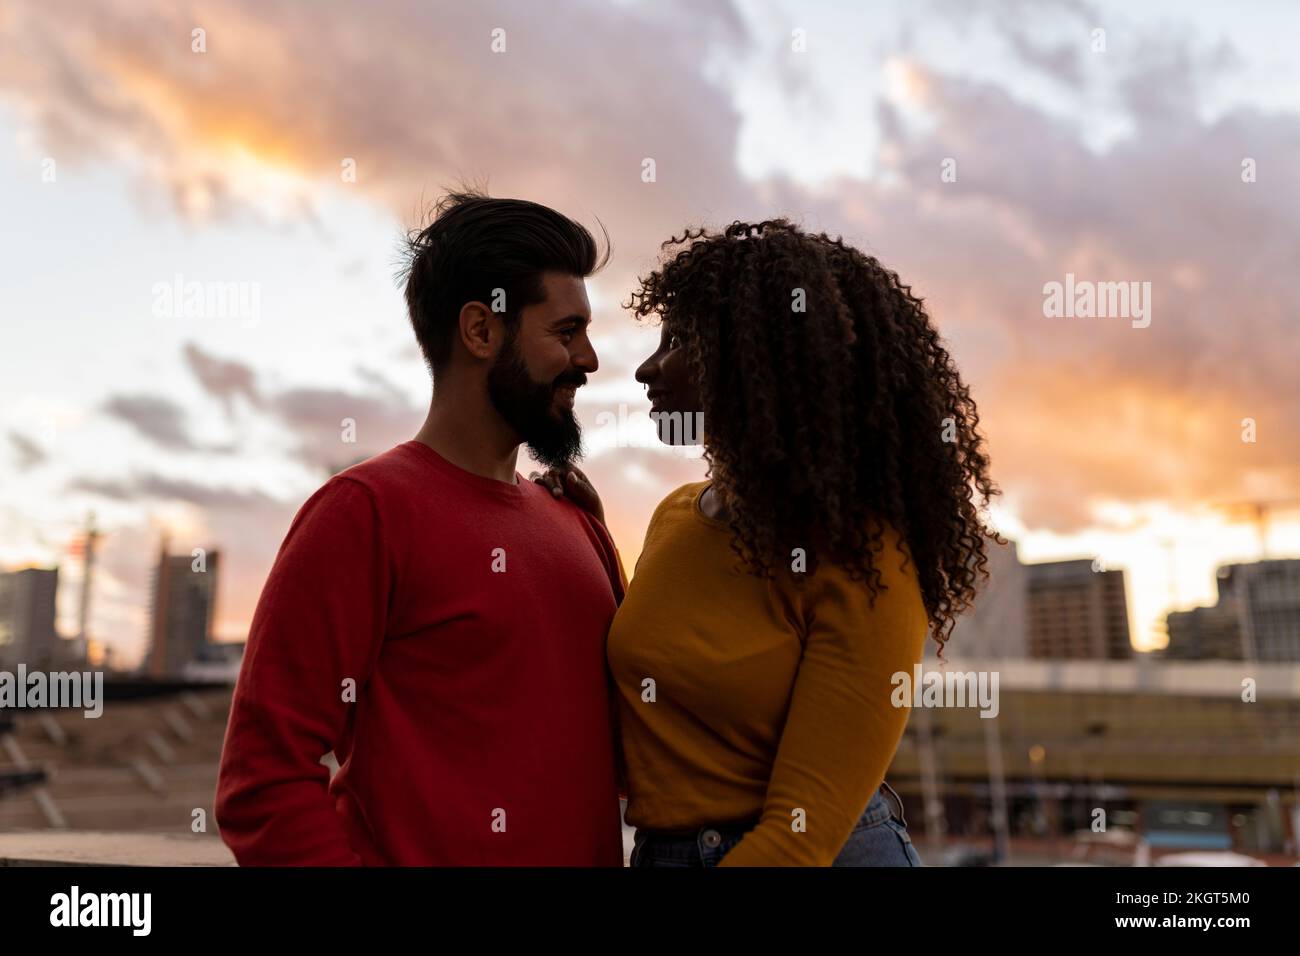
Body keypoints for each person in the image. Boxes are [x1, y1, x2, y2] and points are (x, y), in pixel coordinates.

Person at [541, 219, 999, 866]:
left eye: (680, 342)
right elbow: (660, 687)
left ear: (764, 363)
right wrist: (585, 535)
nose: (646, 369)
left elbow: (798, 836)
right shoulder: (676, 516)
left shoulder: (866, 560)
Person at [215, 191, 628, 865]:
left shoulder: (581, 525)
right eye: (565, 331)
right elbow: (263, 782)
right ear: (480, 331)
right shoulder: (362, 513)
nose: (589, 359)